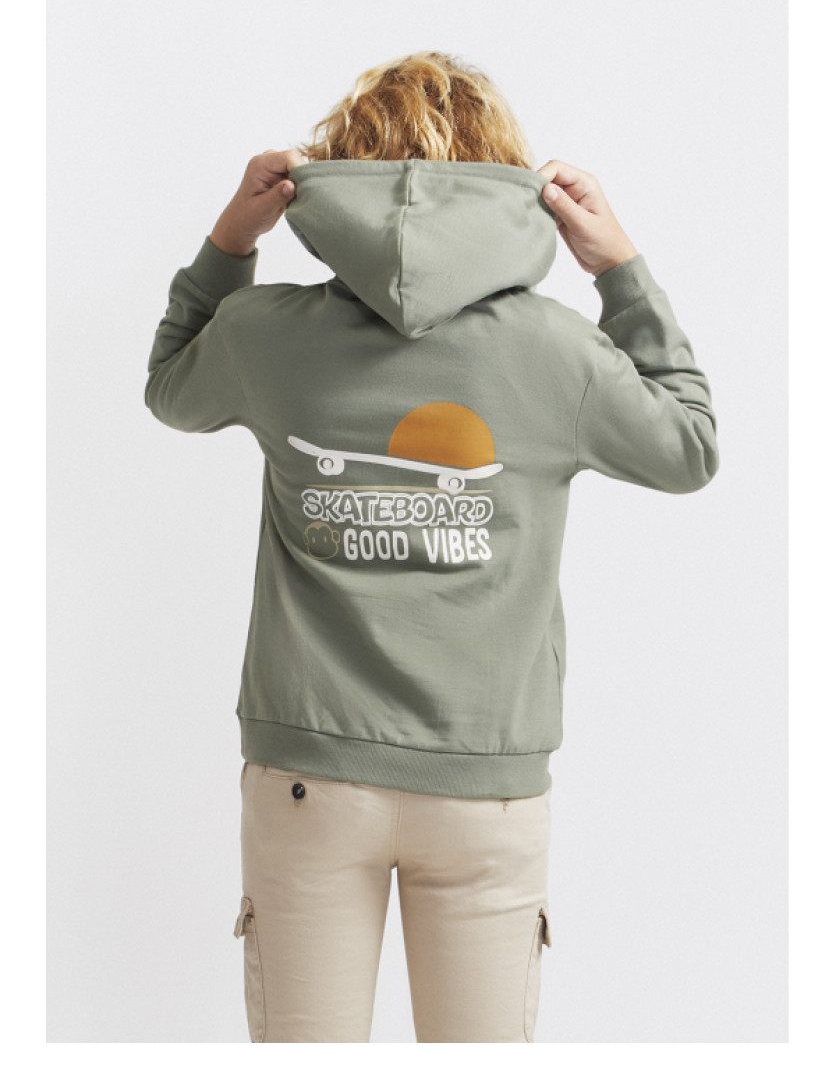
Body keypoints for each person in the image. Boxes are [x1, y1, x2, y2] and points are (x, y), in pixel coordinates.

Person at [144, 50, 719, 1043]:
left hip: (309, 776)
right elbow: (689, 446)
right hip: (484, 786)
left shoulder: (263, 334)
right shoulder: (557, 350)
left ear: (336, 179)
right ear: (503, 176)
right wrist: (618, 270)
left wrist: (231, 240)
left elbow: (169, 386)